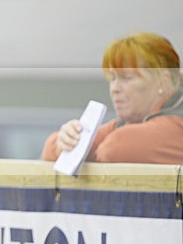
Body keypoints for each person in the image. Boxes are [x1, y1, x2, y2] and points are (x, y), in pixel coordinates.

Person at [42, 32, 183, 164]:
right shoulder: (132, 122)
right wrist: (65, 140)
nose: (114, 88)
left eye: (126, 78)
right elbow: (50, 148)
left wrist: (77, 150)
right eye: (112, 78)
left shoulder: (176, 125)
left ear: (163, 81)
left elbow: (115, 148)